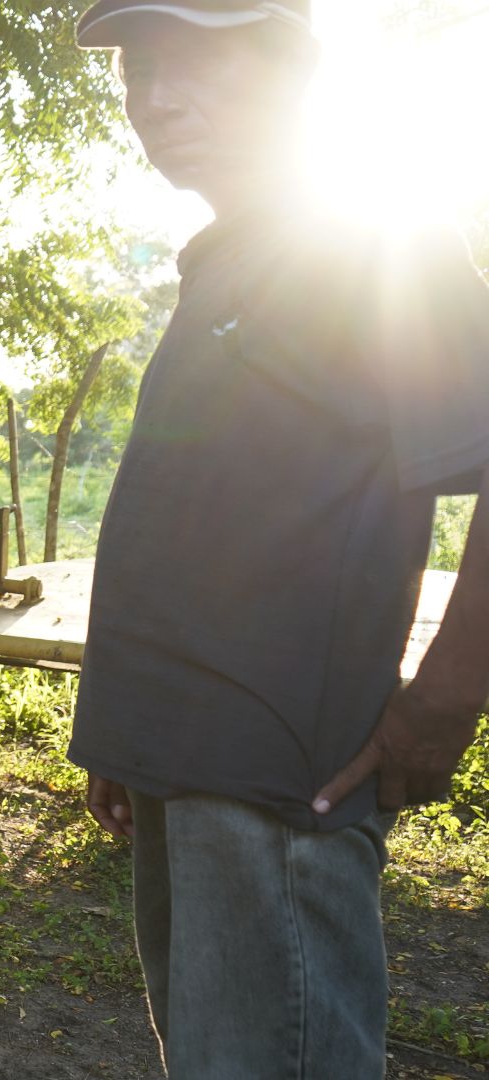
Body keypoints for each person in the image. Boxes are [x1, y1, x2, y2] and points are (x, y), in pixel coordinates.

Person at [68, 2, 489, 1076]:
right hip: (185, 766)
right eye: (138, 72)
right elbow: (208, 516)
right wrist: (132, 735)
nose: (156, 99)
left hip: (282, 787)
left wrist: (446, 697)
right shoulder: (226, 261)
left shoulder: (377, 242)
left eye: (195, 62)